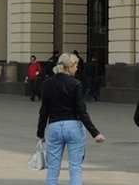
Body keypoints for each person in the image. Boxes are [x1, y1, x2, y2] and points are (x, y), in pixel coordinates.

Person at [37, 51, 106, 185]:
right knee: (75, 167)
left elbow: (44, 110)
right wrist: (95, 133)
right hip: (73, 126)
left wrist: (40, 132)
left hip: (54, 126)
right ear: (68, 67)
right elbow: (81, 111)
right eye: (75, 65)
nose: (77, 68)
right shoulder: (75, 83)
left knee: (52, 169)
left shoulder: (47, 83)